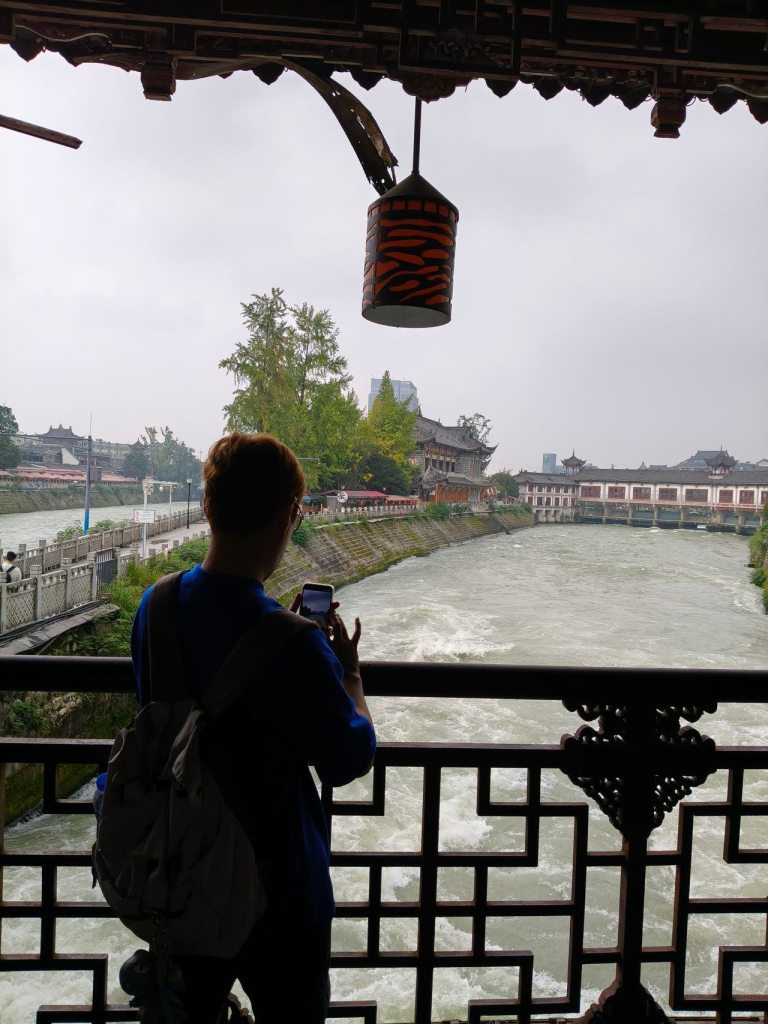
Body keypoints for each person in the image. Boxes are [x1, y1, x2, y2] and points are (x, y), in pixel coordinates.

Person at [130, 433, 376, 1024]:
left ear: (208, 506)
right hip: (281, 892)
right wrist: (349, 675)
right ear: (288, 514)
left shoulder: (154, 608)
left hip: (180, 875)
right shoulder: (294, 644)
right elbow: (347, 757)